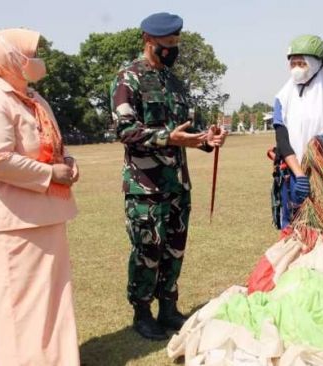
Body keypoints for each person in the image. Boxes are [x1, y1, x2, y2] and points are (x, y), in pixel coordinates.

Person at [0, 28, 80, 365]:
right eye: (30, 53)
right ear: (10, 59)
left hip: (48, 215)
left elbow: (53, 144)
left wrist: (68, 163)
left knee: (52, 301)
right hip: (12, 222)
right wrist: (47, 174)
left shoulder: (35, 99)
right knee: (19, 308)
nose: (38, 60)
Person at [110, 12, 227, 340]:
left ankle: (169, 307)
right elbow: (125, 130)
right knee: (147, 251)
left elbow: (190, 130)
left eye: (176, 43)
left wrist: (208, 138)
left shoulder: (176, 83)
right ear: (150, 42)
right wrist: (169, 138)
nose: (173, 49)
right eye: (168, 44)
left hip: (177, 184)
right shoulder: (128, 78)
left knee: (174, 249)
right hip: (145, 186)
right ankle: (143, 312)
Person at [271, 35, 323, 239]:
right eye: (293, 63)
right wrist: (300, 175)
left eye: (302, 63)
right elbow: (282, 140)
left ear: (316, 64)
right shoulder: (282, 97)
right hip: (293, 178)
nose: (297, 68)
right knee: (294, 235)